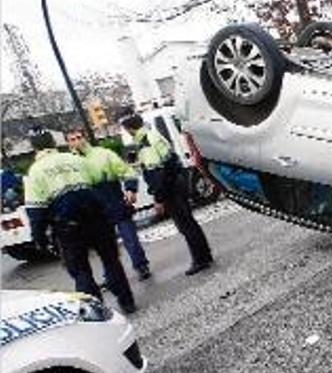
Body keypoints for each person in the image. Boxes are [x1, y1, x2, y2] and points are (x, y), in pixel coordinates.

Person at [24, 146, 136, 313]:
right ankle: (127, 302)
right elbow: (98, 182)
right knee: (111, 260)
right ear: (54, 145)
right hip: (97, 218)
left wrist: (39, 239)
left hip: (68, 226)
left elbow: (35, 211)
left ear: (36, 151)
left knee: (80, 270)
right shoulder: (76, 159)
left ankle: (96, 311)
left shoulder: (35, 171)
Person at [119, 111, 214, 275]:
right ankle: (204, 255)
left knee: (185, 225)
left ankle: (200, 259)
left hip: (170, 188)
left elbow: (158, 173)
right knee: (190, 222)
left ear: (129, 129)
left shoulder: (145, 142)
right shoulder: (151, 134)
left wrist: (158, 198)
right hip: (176, 182)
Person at [66, 128, 152, 280]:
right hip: (93, 206)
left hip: (113, 197)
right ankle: (111, 275)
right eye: (72, 139)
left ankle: (141, 265)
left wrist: (131, 189)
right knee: (104, 245)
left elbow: (126, 171)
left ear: (85, 138)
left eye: (79, 137)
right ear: (68, 143)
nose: (76, 141)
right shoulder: (69, 162)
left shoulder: (103, 154)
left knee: (129, 237)